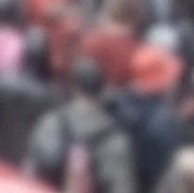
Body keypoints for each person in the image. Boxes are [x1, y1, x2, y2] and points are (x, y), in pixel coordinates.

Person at [25, 57, 136, 193]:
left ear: (73, 86)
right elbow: (122, 187)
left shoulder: (51, 122)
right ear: (103, 88)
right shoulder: (115, 139)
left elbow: (29, 173)